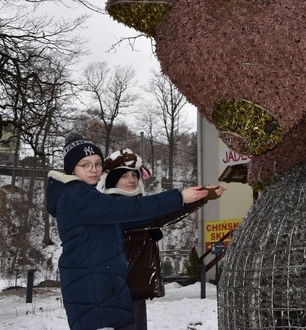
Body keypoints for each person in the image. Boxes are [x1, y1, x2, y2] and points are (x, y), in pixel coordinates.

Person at [46, 132, 212, 330]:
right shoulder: (78, 195)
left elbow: (142, 217)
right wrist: (180, 197)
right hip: (93, 290)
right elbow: (134, 209)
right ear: (71, 168)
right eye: (86, 165)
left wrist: (196, 198)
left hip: (104, 286)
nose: (94, 170)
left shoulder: (86, 197)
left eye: (98, 164)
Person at [96, 148, 225, 330]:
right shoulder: (114, 206)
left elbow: (157, 214)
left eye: (134, 175)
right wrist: (196, 197)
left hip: (134, 287)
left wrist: (202, 196)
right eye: (124, 176)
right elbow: (161, 213)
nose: (132, 180)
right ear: (112, 180)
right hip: (120, 288)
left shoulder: (136, 205)